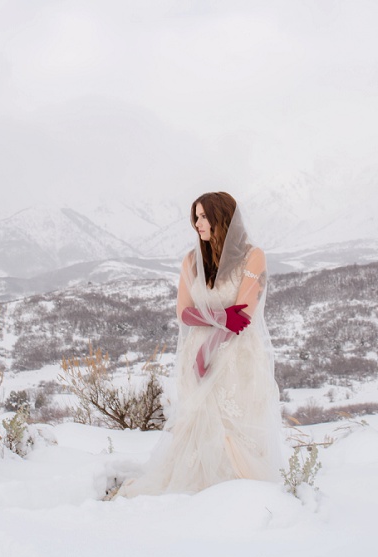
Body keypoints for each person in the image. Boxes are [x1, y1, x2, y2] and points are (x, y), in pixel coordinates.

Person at [117, 191, 284, 497]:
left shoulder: (252, 256)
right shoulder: (192, 260)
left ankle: (239, 491)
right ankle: (199, 489)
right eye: (195, 216)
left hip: (236, 353)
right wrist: (219, 319)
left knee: (232, 423)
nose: (197, 223)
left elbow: (243, 315)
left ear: (223, 217)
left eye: (204, 216)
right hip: (198, 352)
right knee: (200, 423)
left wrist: (211, 342)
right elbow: (184, 312)